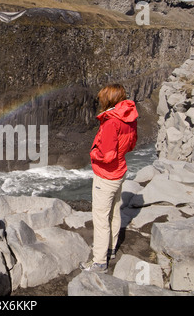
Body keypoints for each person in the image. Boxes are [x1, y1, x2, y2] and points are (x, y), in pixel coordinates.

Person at [80, 84, 138, 273]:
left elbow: (108, 155)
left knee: (100, 218)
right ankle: (111, 248)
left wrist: (93, 154)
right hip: (120, 172)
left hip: (106, 176)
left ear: (109, 99)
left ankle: (99, 262)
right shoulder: (129, 116)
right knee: (114, 211)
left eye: (102, 97)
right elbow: (131, 145)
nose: (100, 100)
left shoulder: (111, 122)